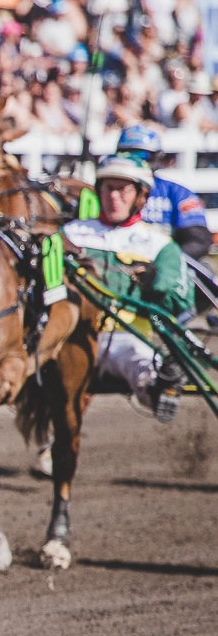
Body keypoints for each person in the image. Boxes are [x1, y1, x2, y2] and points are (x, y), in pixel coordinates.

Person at [63, 155, 194, 422]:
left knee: (142, 362)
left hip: (126, 335)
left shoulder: (159, 244)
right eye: (108, 188)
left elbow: (180, 300)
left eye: (123, 190)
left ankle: (160, 389)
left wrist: (155, 282)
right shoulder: (70, 234)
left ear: (140, 196)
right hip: (72, 335)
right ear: (98, 191)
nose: (114, 197)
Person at [111, 124, 213, 259]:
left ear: (156, 158)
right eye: (127, 155)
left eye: (142, 155)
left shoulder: (179, 193)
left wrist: (166, 262)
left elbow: (199, 240)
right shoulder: (106, 192)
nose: (135, 161)